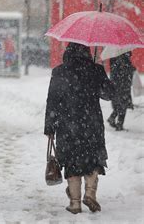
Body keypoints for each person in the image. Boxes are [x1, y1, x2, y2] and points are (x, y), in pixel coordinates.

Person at [44, 42, 115, 214]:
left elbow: (52, 101)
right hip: (91, 124)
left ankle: (75, 203)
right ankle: (90, 194)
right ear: (87, 52)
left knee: (71, 161)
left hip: (68, 125)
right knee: (92, 158)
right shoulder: (95, 70)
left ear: (67, 53)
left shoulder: (60, 71)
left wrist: (50, 127)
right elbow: (108, 94)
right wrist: (102, 77)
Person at [107, 52, 135, 131]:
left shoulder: (113, 57)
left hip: (116, 86)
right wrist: (132, 68)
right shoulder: (124, 60)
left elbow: (115, 71)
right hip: (123, 86)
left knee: (118, 104)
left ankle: (112, 118)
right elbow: (126, 73)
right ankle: (119, 124)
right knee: (123, 105)